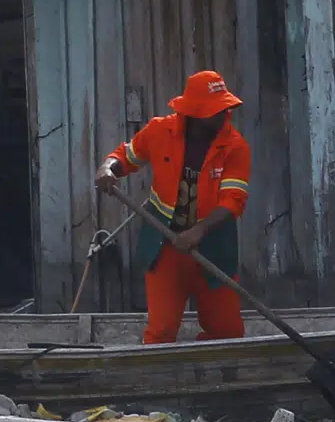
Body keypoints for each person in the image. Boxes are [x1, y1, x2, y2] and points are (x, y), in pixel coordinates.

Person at [97, 70, 251, 345]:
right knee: (161, 332)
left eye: (225, 109)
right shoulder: (159, 131)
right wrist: (108, 170)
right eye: (216, 111)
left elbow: (233, 201)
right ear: (195, 112)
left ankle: (216, 378)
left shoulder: (234, 146)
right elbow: (124, 157)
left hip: (214, 247)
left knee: (227, 332)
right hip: (164, 243)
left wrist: (199, 231)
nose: (224, 115)